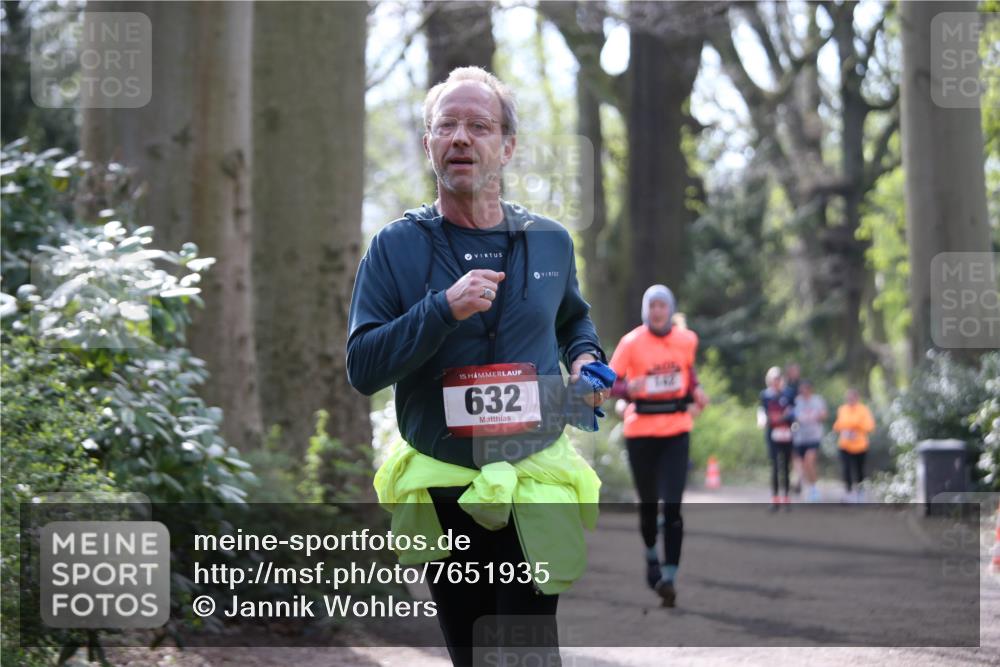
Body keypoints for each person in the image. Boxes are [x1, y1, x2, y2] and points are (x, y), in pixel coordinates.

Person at [347, 67, 609, 666]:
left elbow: (572, 319)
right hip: (444, 484)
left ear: (508, 146)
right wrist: (441, 310)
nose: (461, 137)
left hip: (535, 475)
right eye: (447, 126)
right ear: (429, 145)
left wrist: (587, 359)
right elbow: (362, 367)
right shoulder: (396, 246)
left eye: (479, 125)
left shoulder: (550, 241)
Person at [609, 285, 708, 607]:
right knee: (649, 505)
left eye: (662, 305)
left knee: (674, 507)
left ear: (671, 308)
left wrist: (697, 391)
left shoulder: (686, 339)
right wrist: (627, 388)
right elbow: (607, 382)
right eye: (652, 305)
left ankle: (669, 577)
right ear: (645, 310)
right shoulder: (631, 342)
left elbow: (687, 373)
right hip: (641, 433)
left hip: (677, 429)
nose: (657, 311)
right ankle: (651, 553)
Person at [833, 389, 876, 502]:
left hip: (860, 446)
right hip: (845, 445)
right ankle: (848, 492)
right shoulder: (842, 409)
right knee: (846, 469)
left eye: (852, 398)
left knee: (859, 470)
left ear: (857, 398)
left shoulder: (863, 410)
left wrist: (855, 426)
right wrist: (846, 427)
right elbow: (838, 425)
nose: (850, 400)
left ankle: (860, 492)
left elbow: (869, 426)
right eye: (848, 398)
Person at [760, 366, 793, 510]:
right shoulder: (765, 395)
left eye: (778, 379)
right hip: (772, 433)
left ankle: (786, 497)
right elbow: (762, 412)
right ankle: (775, 498)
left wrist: (784, 417)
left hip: (786, 433)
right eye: (774, 379)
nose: (776, 382)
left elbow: (793, 411)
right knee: (774, 465)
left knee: (786, 466)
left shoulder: (788, 394)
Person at [792, 380, 827, 502]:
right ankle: (803, 482)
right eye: (801, 389)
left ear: (810, 389)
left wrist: (817, 416)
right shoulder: (797, 401)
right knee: (800, 464)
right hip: (800, 438)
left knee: (809, 461)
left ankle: (813, 488)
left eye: (805, 389)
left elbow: (824, 415)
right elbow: (792, 417)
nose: (803, 391)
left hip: (813, 437)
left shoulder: (817, 400)